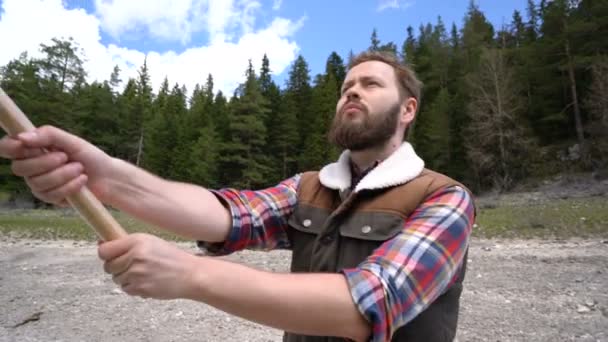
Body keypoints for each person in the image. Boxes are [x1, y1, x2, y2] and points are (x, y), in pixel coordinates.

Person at [0, 51, 475, 342]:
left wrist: (193, 274)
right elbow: (229, 216)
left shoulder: (445, 198)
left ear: (408, 109)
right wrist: (104, 175)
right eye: (345, 87)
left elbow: (369, 304)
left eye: (370, 85)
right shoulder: (309, 186)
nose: (352, 93)